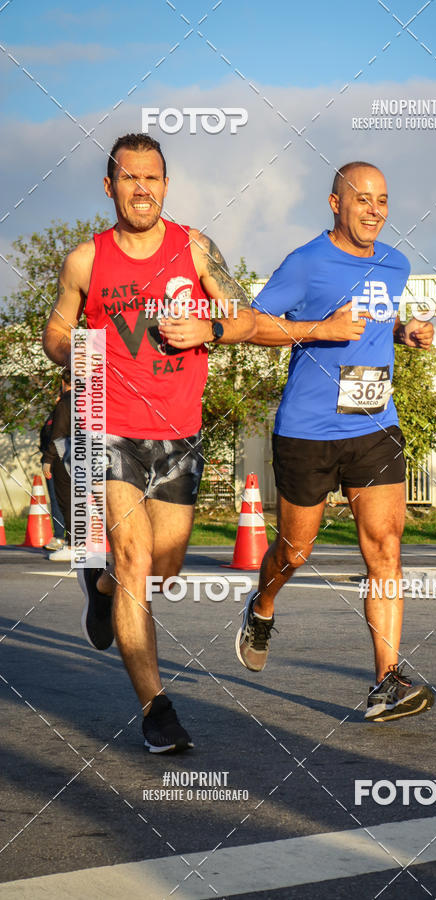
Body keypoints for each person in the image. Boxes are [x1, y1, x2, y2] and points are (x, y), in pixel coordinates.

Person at [43, 133, 255, 752]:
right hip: (107, 423)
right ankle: (156, 709)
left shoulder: (195, 248)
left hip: (178, 429)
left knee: (164, 565)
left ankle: (101, 584)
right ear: (109, 186)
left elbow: (244, 316)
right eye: (130, 178)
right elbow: (56, 333)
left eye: (152, 178)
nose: (142, 189)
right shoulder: (87, 260)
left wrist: (209, 327)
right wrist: (76, 350)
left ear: (166, 184)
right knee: (135, 555)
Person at [235, 162, 435, 722]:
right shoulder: (305, 263)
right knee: (295, 551)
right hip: (308, 431)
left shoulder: (396, 264)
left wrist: (403, 331)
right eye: (362, 199)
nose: (374, 210)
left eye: (383, 199)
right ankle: (262, 606)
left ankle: (386, 681)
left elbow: (376, 319)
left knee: (386, 548)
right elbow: (253, 324)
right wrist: (320, 329)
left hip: (374, 424)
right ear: (335, 203)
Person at [41, 373, 72, 561]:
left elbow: (57, 433)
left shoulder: (66, 402)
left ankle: (73, 544)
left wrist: (48, 458)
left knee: (66, 501)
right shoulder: (91, 400)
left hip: (64, 456)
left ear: (63, 382)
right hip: (83, 456)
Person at [40, 393, 66, 552]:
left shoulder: (65, 414)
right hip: (53, 461)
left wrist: (49, 459)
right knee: (56, 500)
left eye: (59, 396)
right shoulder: (54, 415)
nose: (56, 399)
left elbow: (57, 438)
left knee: (65, 500)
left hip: (61, 462)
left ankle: (67, 538)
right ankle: (59, 535)